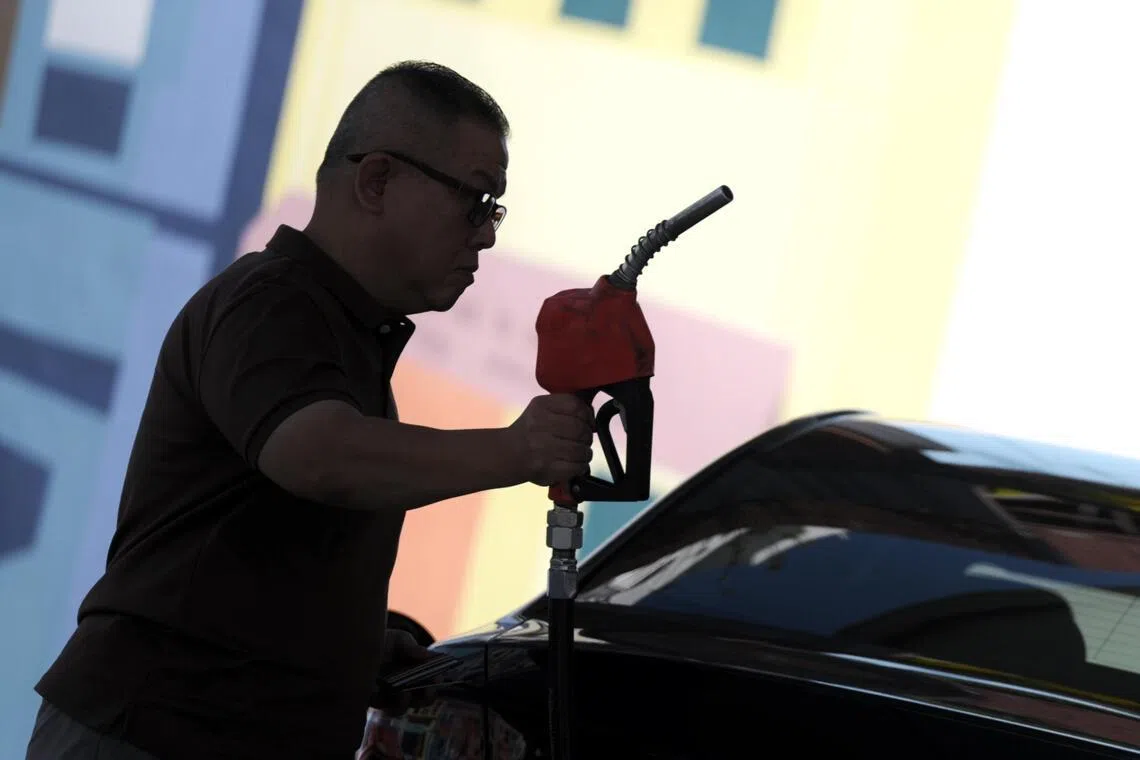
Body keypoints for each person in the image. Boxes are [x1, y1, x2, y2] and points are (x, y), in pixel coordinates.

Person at [25, 60, 595, 760]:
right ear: (376, 180)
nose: (486, 234)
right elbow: (316, 454)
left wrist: (355, 642)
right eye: (476, 200)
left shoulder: (346, 340)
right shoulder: (271, 301)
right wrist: (516, 451)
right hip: (152, 732)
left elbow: (256, 544)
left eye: (494, 210)